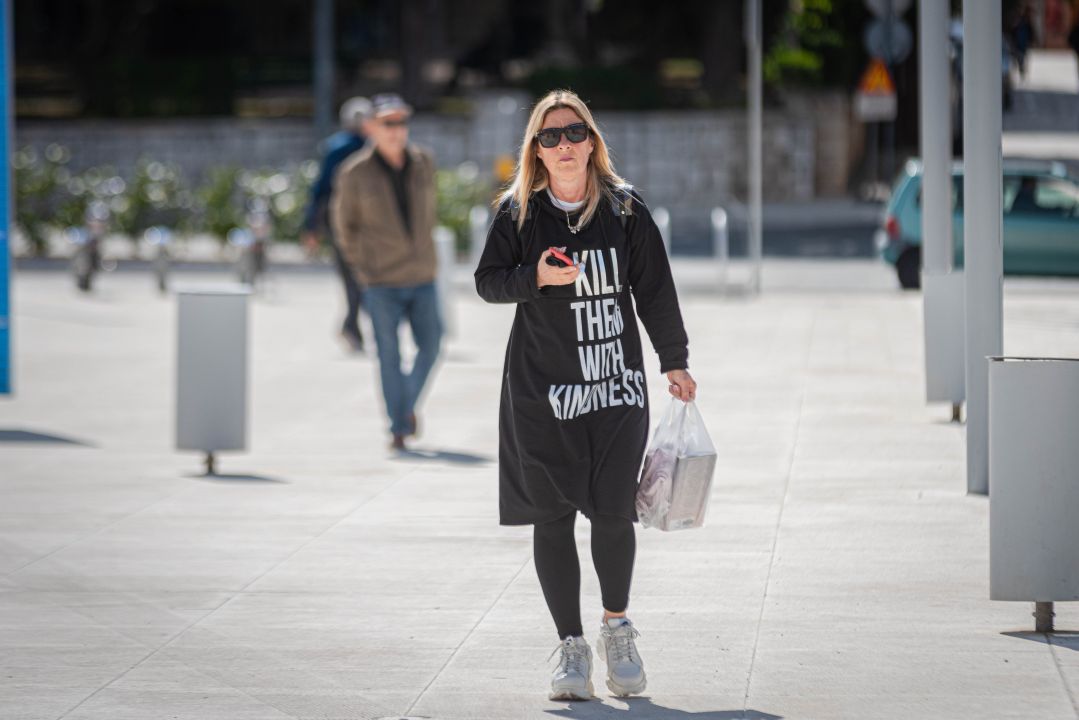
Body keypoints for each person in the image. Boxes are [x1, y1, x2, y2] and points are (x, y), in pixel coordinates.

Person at [474, 90, 696, 702]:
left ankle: (616, 628)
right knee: (552, 516)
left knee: (613, 511)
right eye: (550, 137)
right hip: (542, 393)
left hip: (616, 387)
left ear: (592, 142)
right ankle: (571, 647)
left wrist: (673, 362)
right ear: (537, 152)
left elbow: (655, 291)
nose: (564, 144)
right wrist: (535, 278)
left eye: (574, 133)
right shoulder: (519, 213)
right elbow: (487, 282)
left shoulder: (624, 210)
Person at [331, 93, 442, 451]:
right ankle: (398, 426)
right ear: (371, 128)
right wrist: (364, 266)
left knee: (432, 345)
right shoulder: (354, 172)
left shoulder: (424, 161)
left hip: (423, 274)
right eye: (388, 123)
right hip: (381, 281)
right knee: (389, 355)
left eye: (401, 122)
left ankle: (405, 406)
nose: (397, 130)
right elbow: (344, 227)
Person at [303, 96, 372, 352]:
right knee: (360, 274)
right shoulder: (367, 147)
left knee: (351, 274)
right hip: (362, 221)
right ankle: (354, 325)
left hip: (338, 220)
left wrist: (310, 227)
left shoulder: (334, 146)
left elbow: (319, 189)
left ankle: (352, 325)